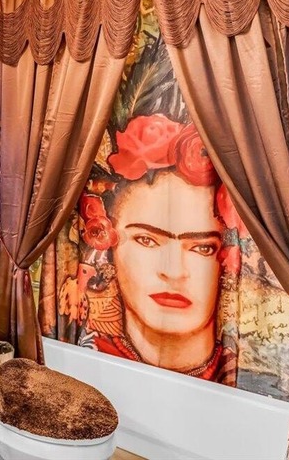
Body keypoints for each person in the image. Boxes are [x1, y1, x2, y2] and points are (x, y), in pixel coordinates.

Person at [72, 115, 237, 384]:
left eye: (202, 248)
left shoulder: (252, 379)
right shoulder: (82, 364)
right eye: (146, 240)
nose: (173, 271)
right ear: (110, 247)